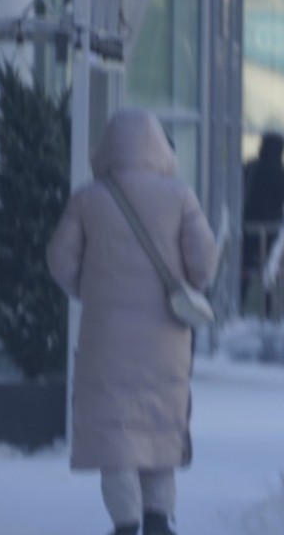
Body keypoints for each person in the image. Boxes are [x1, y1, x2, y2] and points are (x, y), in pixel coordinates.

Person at [47, 110, 218, 535]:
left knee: (117, 431)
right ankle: (159, 518)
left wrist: (92, 291)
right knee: (158, 424)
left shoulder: (88, 198)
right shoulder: (180, 197)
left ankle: (126, 522)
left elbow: (59, 260)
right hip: (166, 335)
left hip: (106, 336)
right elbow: (205, 266)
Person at [241, 132, 284, 314]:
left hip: (247, 225)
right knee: (269, 269)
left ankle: (238, 305)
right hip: (271, 226)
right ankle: (268, 310)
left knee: (246, 268)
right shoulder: (277, 169)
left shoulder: (251, 166)